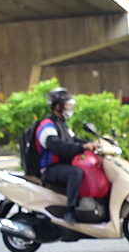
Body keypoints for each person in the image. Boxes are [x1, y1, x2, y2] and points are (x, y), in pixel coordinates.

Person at [35, 87, 89, 223]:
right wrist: (81, 148)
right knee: (75, 173)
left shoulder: (62, 125)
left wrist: (93, 144)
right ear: (58, 106)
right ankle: (69, 211)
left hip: (62, 165)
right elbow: (56, 146)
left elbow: (74, 140)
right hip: (51, 168)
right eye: (67, 106)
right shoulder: (47, 125)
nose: (69, 109)